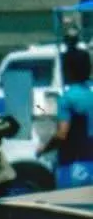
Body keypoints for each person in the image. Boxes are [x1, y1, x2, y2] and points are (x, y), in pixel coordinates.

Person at [38, 47, 93, 189]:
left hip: (74, 166)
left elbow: (62, 134)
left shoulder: (67, 99)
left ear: (68, 70)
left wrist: (44, 149)